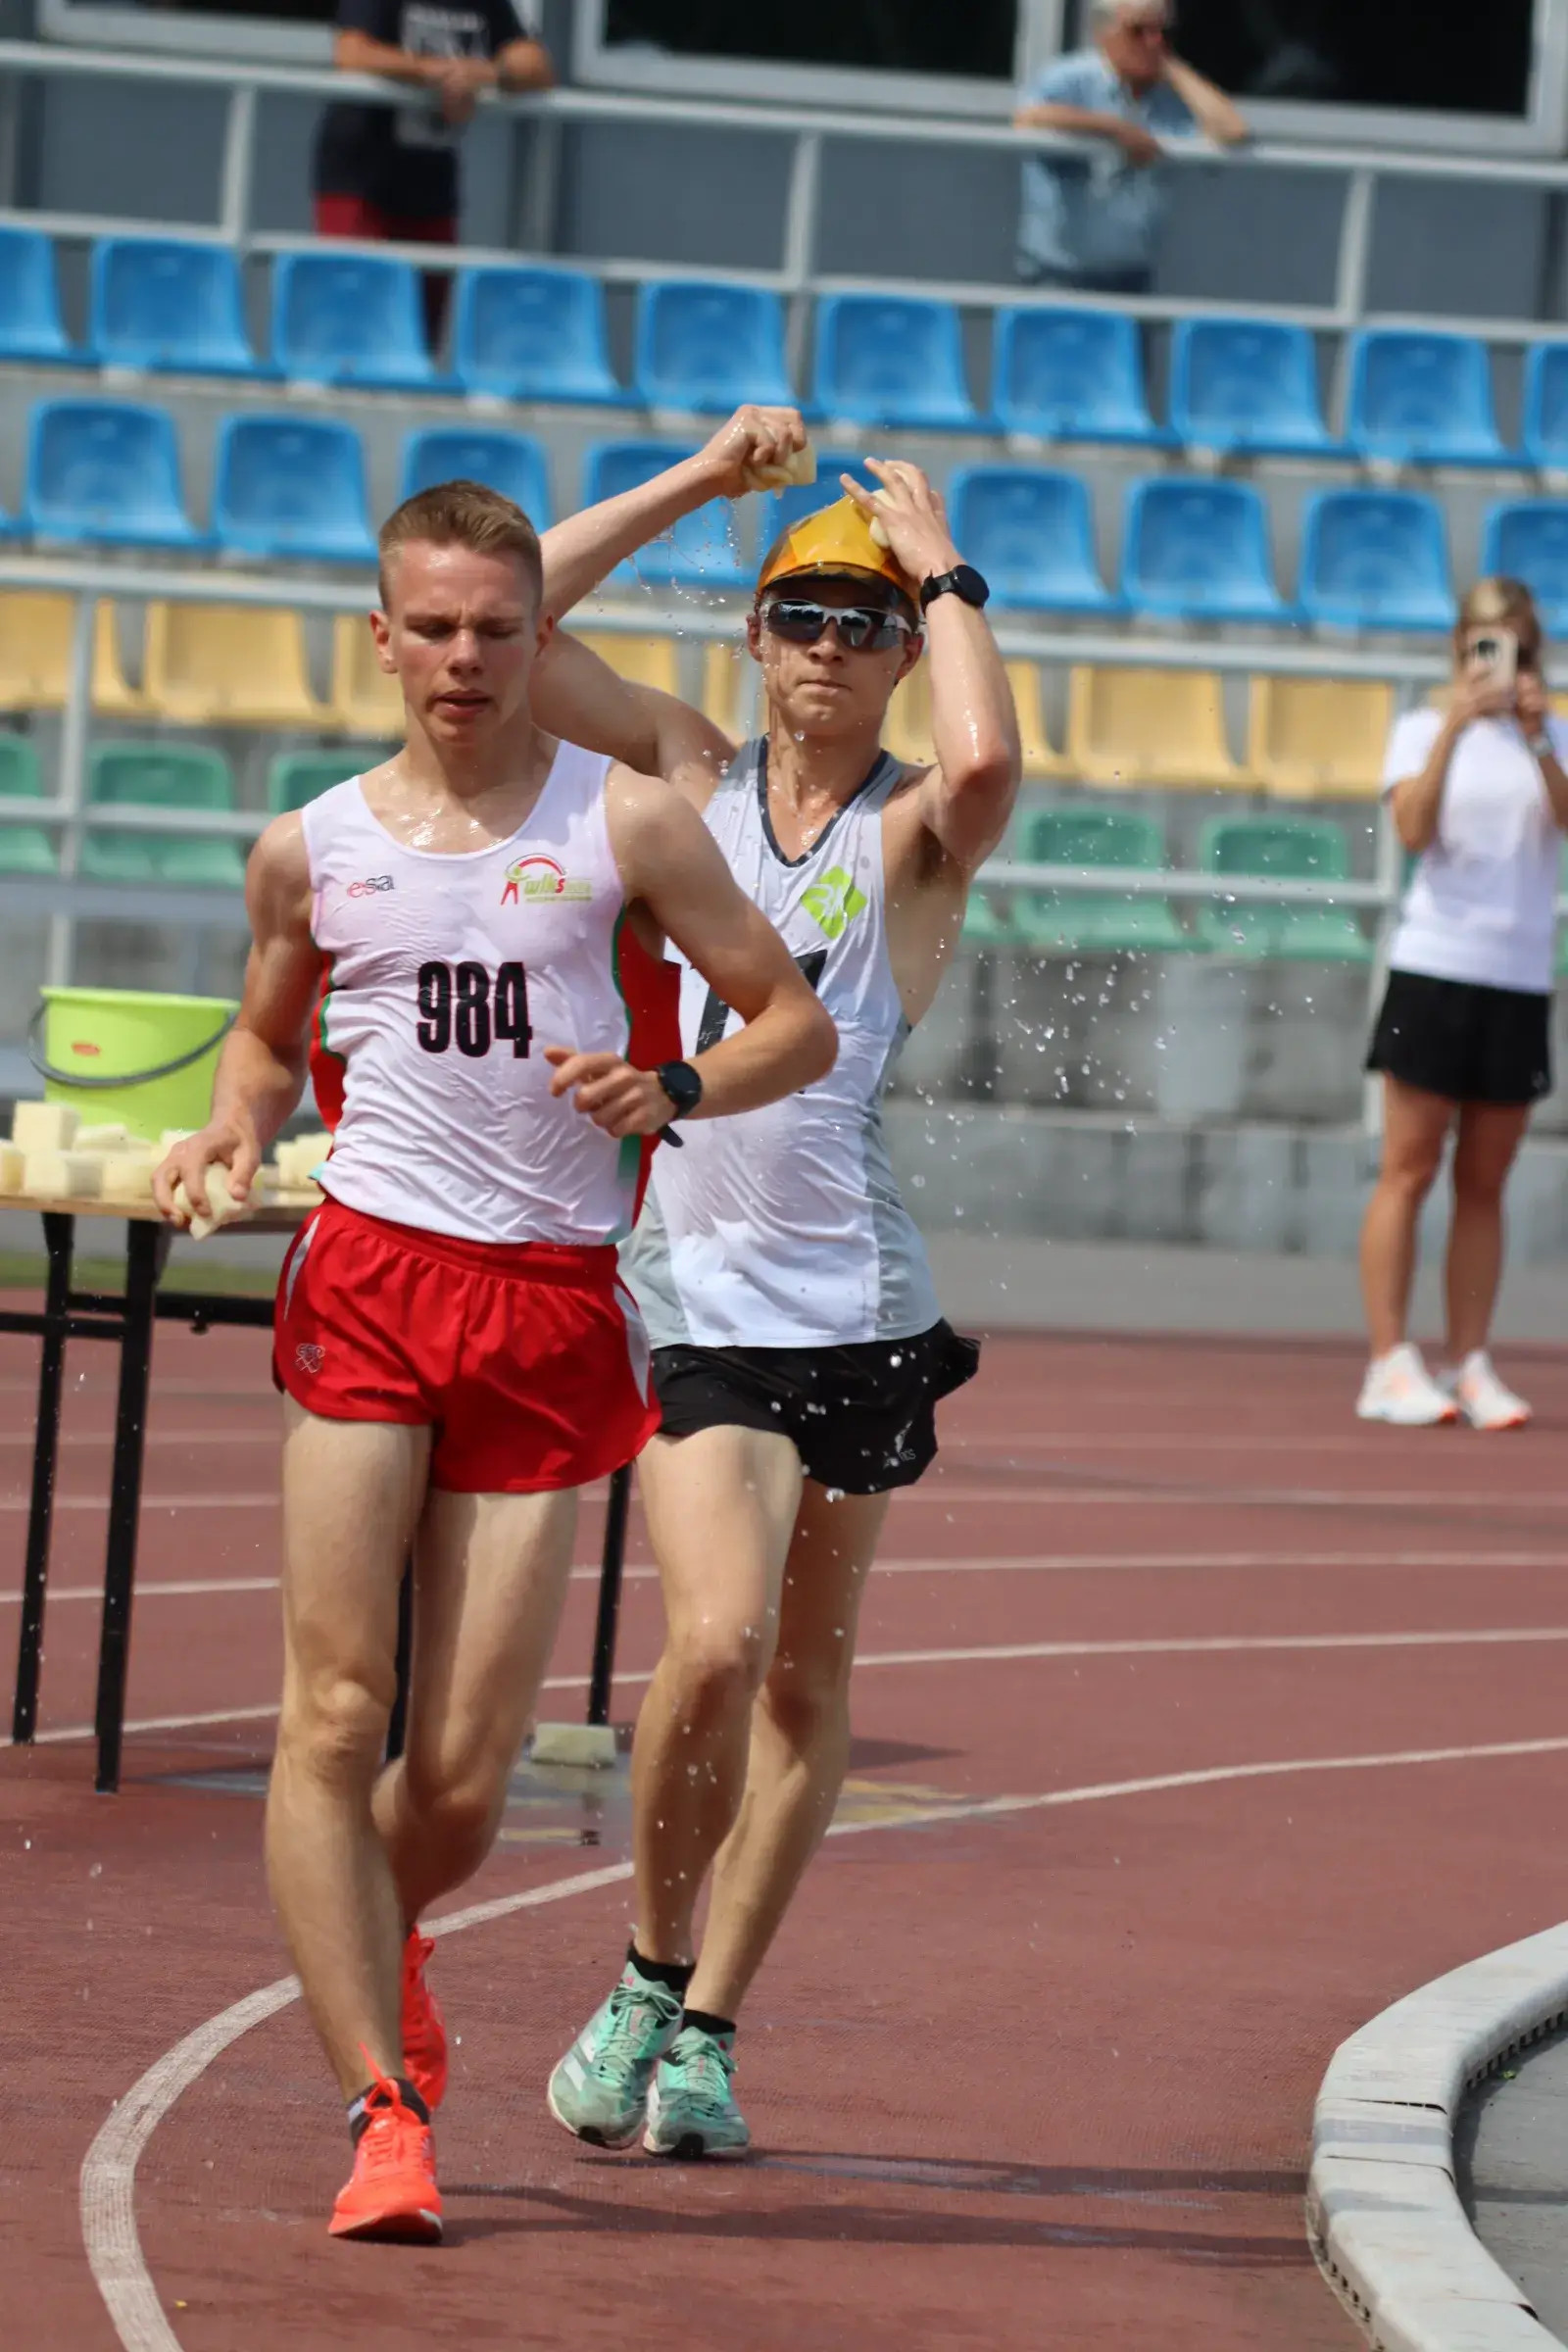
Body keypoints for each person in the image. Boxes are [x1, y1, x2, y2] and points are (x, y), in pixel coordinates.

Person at [152, 463, 836, 2245]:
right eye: (432, 627)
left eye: (496, 628)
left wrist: (674, 1083)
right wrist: (231, 1132)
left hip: (542, 1300)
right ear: (380, 638)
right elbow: (260, 1032)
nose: (462, 656)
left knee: (460, 1776)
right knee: (330, 1710)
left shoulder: (633, 827)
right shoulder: (314, 843)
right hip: (370, 1276)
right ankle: (383, 2107)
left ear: (544, 641)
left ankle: (384, 1930)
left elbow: (797, 1023)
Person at [532, 445, 1022, 2159]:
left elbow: (987, 756)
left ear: (898, 649)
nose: (829, 644)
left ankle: (712, 2028)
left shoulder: (912, 836)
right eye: (801, 615)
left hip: (861, 1300)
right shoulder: (688, 771)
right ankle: (647, 1976)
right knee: (716, 1639)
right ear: (756, 633)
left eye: (862, 623)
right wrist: (695, 481)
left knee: (810, 1691)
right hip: (695, 1285)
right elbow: (517, 624)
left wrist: (942, 566)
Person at [1357, 578, 1568, 1432]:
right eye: (1481, 643)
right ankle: (1387, 1361)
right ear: (1458, 651)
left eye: (1511, 643)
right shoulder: (1417, 727)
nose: (1495, 658)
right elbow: (1410, 831)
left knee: (1486, 1180)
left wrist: (1536, 736)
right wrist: (1453, 726)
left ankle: (1471, 1359)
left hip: (1516, 975)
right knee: (1409, 1169)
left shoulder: (1551, 733)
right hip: (1434, 967)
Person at [311, 0, 553, 345]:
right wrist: (434, 74)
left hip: (431, 186)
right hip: (359, 178)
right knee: (353, 320)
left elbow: (537, 65)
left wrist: (484, 75)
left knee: (422, 335)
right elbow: (352, 52)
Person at [1013, 0, 1248, 294]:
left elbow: (1233, 132)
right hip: (1056, 275)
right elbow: (1028, 119)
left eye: (1164, 33)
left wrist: (1174, 68)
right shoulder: (1070, 78)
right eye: (1138, 31)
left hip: (1130, 279)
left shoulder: (1173, 98)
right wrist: (1115, 129)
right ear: (1103, 33)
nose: (1153, 42)